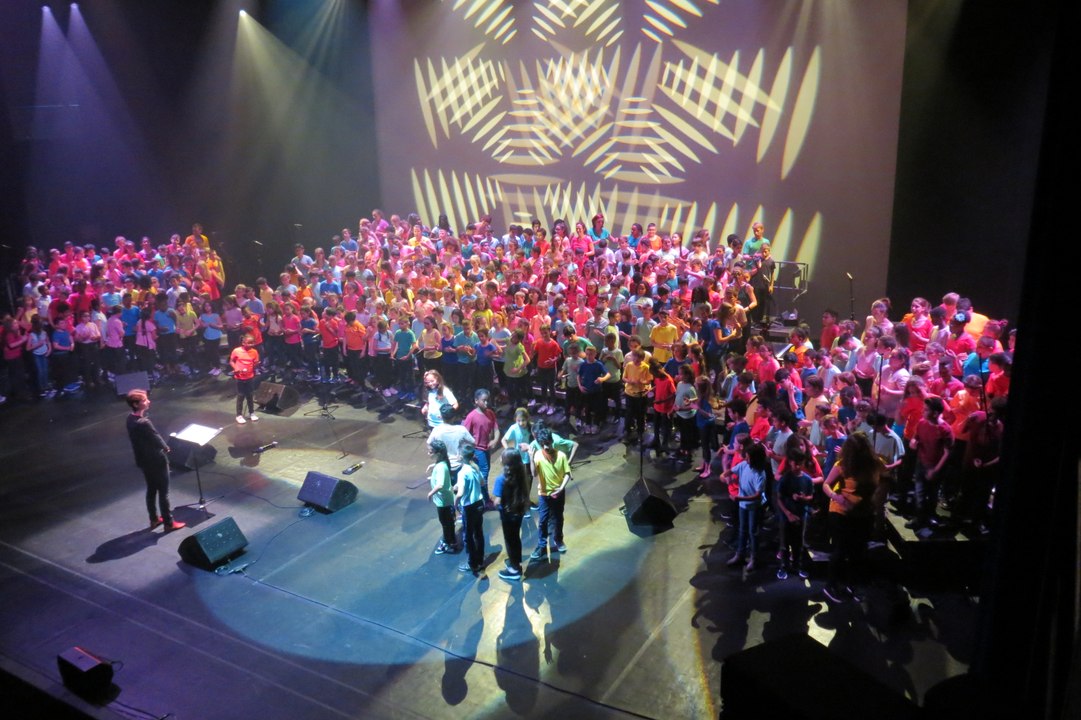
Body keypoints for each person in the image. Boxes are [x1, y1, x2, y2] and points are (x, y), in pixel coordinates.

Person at [821, 432, 880, 602]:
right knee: (840, 550)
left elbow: (882, 476)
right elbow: (826, 484)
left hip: (863, 513)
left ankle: (852, 585)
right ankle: (830, 586)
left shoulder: (872, 465)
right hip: (841, 513)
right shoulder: (843, 465)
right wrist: (835, 496)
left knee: (858, 551)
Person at [125, 390, 185, 532]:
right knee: (164, 492)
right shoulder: (144, 422)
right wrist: (166, 448)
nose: (148, 402)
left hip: (143, 460)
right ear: (136, 404)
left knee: (151, 490)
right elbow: (156, 437)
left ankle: (154, 519)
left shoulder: (130, 419)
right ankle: (169, 523)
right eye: (145, 400)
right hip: (156, 460)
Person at [530, 427, 571, 562]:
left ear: (552, 441)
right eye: (543, 444)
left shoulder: (561, 456)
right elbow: (534, 474)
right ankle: (541, 546)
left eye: (548, 443)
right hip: (543, 494)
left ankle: (558, 540)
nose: (546, 447)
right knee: (542, 520)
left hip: (559, 493)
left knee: (558, 518)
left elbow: (567, 474)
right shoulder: (538, 456)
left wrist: (561, 488)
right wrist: (531, 458)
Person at [726, 442, 768, 571]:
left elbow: (757, 495)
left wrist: (739, 498)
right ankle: (740, 554)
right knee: (742, 529)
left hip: (754, 507)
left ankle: (754, 558)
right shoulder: (744, 465)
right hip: (743, 506)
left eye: (749, 457)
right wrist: (725, 475)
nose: (746, 459)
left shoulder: (760, 474)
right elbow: (732, 470)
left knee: (753, 532)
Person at [492, 448, 530, 582]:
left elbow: (497, 501)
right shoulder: (521, 474)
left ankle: (514, 569)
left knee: (510, 540)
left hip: (507, 515)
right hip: (519, 512)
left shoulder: (501, 479)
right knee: (516, 538)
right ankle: (516, 560)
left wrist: (497, 506)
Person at [462, 388, 500, 508]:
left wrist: (494, 440)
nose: (486, 403)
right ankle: (485, 499)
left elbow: (496, 429)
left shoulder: (490, 413)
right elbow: (464, 435)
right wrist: (469, 451)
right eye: (484, 400)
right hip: (477, 449)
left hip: (486, 449)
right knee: (483, 472)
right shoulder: (471, 416)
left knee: (485, 471)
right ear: (476, 401)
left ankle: (480, 497)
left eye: (488, 400)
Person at [455, 443, 486, 575]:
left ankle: (472, 564)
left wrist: (455, 503)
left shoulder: (462, 472)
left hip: (469, 507)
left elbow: (461, 493)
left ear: (461, 456)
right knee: (478, 532)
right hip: (479, 504)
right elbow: (482, 483)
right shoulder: (475, 467)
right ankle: (480, 559)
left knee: (468, 536)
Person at [426, 439, 459, 555]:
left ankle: (448, 543)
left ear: (438, 453)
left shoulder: (441, 467)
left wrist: (431, 493)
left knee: (446, 522)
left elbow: (440, 484)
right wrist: (432, 466)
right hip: (443, 500)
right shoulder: (441, 463)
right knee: (447, 522)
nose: (428, 454)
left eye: (430, 452)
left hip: (444, 501)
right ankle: (450, 541)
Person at [229, 333, 260, 424]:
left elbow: (255, 363)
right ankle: (239, 415)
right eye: (249, 343)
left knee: (250, 395)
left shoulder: (254, 352)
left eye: (252, 343)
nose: (251, 345)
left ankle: (252, 413)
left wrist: (256, 365)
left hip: (249, 377)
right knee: (241, 395)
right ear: (243, 343)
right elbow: (231, 361)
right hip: (240, 377)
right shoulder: (237, 351)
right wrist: (236, 368)